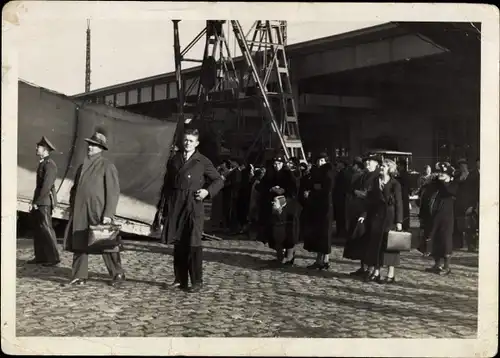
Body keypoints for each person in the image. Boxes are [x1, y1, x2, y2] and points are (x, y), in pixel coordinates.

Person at [159, 128, 224, 293]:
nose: (187, 143)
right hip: (176, 205)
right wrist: (163, 206)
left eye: (191, 140)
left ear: (197, 143)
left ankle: (197, 281)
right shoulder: (175, 160)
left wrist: (207, 192)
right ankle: (180, 280)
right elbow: (167, 184)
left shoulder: (202, 161)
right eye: (186, 140)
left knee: (193, 244)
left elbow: (218, 180)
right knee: (178, 243)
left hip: (193, 205)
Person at [63, 129, 124, 287]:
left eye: (95, 145)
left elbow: (113, 192)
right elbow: (75, 189)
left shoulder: (107, 166)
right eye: (90, 144)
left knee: (106, 242)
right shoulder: (81, 167)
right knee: (79, 242)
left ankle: (117, 273)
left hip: (98, 211)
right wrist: (72, 206)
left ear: (101, 149)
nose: (90, 147)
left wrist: (108, 214)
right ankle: (79, 276)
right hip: (80, 211)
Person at [359, 158, 403, 284]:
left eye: (384, 166)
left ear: (390, 168)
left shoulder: (395, 184)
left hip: (390, 217)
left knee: (390, 245)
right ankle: (376, 272)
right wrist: (364, 214)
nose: (382, 168)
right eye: (381, 166)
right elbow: (369, 200)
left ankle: (391, 274)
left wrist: (399, 221)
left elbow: (399, 203)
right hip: (376, 216)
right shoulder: (375, 182)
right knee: (375, 245)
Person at [257, 155, 299, 264]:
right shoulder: (269, 174)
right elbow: (261, 187)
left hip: (287, 208)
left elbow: (294, 190)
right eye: (275, 164)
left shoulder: (288, 174)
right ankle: (279, 254)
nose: (277, 166)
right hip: (273, 207)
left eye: (279, 164)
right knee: (275, 232)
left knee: (288, 232)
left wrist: (283, 190)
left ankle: (289, 255)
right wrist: (271, 189)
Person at [343, 154, 381, 277]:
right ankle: (362, 267)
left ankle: (370, 268)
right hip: (359, 210)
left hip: (372, 213)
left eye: (370, 161)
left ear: (377, 164)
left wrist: (364, 195)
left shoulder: (378, 177)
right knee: (361, 239)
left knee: (370, 241)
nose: (367, 163)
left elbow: (376, 196)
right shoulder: (363, 175)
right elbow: (352, 188)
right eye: (367, 161)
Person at [27, 136, 60, 266]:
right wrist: (34, 201)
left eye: (38, 147)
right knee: (39, 229)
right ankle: (40, 257)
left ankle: (53, 258)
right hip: (40, 201)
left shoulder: (50, 165)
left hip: (44, 202)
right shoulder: (43, 163)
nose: (36, 148)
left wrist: (37, 201)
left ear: (45, 149)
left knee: (46, 228)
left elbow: (47, 186)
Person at [423, 162, 459, 275]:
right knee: (435, 238)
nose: (441, 175)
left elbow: (448, 192)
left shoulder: (453, 184)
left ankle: (447, 266)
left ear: (449, 175)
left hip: (446, 216)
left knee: (445, 239)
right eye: (440, 173)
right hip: (435, 215)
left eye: (443, 173)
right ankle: (437, 264)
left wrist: (443, 181)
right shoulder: (437, 184)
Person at [302, 153, 335, 270]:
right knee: (320, 234)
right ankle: (322, 259)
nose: (320, 163)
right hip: (319, 207)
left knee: (324, 233)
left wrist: (314, 191)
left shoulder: (328, 172)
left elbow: (326, 189)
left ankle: (323, 260)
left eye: (322, 161)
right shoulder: (318, 172)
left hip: (326, 207)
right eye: (319, 160)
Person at [332, 159, 349, 237]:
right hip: (341, 197)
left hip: (340, 197)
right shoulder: (342, 172)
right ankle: (340, 231)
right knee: (340, 215)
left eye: (339, 163)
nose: (337, 164)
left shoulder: (343, 173)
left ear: (342, 164)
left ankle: (340, 232)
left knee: (340, 215)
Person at [396, 160, 411, 231]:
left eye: (398, 165)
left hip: (403, 195)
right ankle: (406, 226)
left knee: (404, 211)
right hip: (405, 195)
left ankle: (405, 226)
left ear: (402, 166)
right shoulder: (405, 174)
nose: (397, 167)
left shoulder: (402, 175)